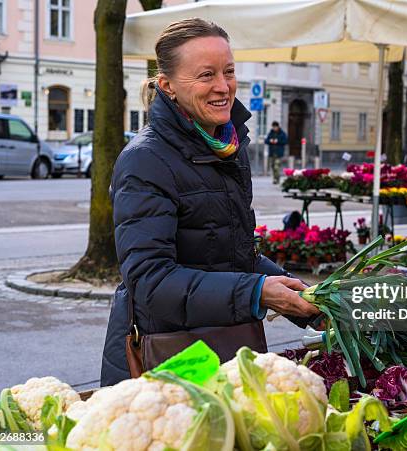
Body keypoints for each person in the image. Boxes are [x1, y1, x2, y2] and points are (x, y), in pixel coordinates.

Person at [101, 19, 319, 386]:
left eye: (229, 71)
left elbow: (232, 255)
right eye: (206, 75)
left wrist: (306, 299)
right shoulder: (146, 159)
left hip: (229, 347)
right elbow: (150, 282)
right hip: (171, 361)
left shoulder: (229, 145)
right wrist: (256, 292)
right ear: (167, 86)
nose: (223, 87)